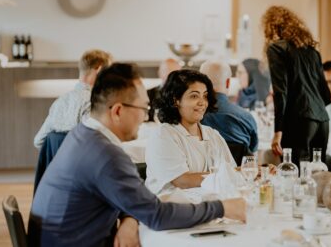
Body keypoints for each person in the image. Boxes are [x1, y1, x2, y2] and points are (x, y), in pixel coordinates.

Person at [28, 63, 246, 246]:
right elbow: (157, 216)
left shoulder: (83, 136)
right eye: (143, 108)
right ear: (118, 111)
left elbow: (128, 196)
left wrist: (129, 216)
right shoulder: (105, 154)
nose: (145, 117)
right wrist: (222, 208)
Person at [145, 69, 237, 196]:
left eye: (205, 96)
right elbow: (182, 181)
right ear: (175, 100)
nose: (202, 102)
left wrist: (255, 171)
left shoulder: (212, 134)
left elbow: (230, 171)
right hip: (171, 207)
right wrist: (231, 175)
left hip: (207, 204)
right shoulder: (163, 134)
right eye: (194, 96)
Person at [261, 5, 331, 167]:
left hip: (299, 120)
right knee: (319, 177)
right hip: (322, 120)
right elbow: (326, 95)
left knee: (294, 175)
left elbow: (280, 92)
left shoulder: (276, 49)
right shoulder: (313, 52)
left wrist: (278, 132)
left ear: (271, 28)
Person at [33, 49, 113, 149]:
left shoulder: (59, 102)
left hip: (59, 164)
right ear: (99, 70)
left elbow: (38, 141)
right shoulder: (94, 103)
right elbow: (96, 145)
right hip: (84, 163)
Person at [200, 60, 258, 153]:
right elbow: (253, 151)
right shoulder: (246, 117)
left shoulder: (192, 117)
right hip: (238, 167)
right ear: (228, 82)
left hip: (202, 167)